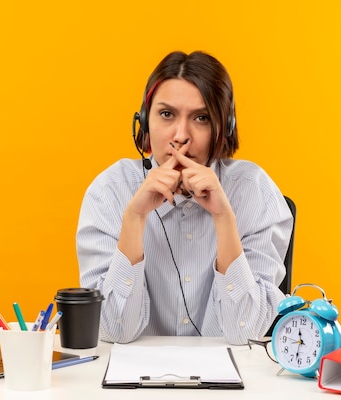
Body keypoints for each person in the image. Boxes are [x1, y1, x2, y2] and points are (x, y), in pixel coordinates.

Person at [76, 50, 293, 345]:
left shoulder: (255, 192)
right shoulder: (109, 193)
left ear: (224, 128)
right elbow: (114, 331)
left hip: (230, 383)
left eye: (201, 118)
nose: (180, 135)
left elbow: (245, 333)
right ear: (143, 123)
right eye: (166, 115)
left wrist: (224, 219)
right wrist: (134, 219)